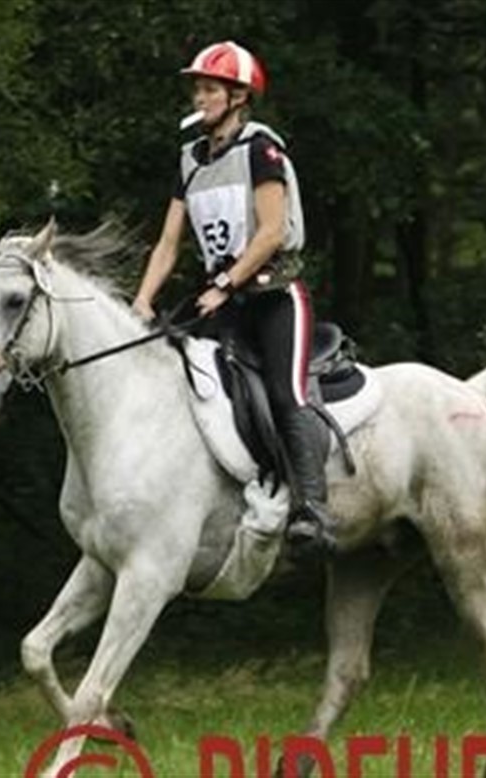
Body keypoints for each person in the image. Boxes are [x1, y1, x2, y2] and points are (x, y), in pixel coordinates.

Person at [133, 40, 336, 554]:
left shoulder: (260, 150)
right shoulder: (191, 159)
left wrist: (224, 285)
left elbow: (271, 232)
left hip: (274, 294)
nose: (199, 97)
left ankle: (312, 507)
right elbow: (168, 244)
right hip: (223, 299)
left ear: (239, 96)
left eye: (209, 89)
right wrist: (142, 300)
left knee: (285, 391)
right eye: (197, 89)